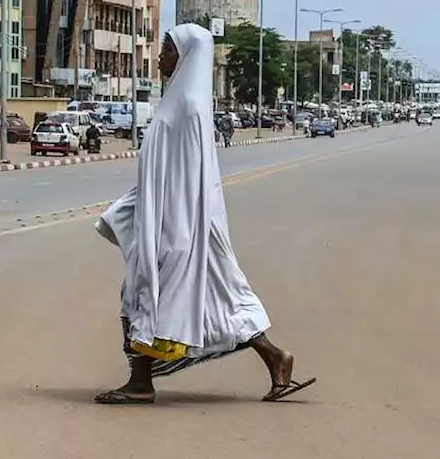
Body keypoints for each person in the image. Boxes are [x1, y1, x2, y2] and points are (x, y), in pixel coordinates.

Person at [92, 24, 315, 405]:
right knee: (219, 301)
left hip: (181, 227)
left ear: (186, 55)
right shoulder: (179, 103)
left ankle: (141, 382)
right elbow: (167, 174)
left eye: (166, 50)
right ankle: (276, 358)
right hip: (179, 223)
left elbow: (189, 179)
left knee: (142, 294)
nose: (160, 58)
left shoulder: (189, 109)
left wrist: (175, 232)